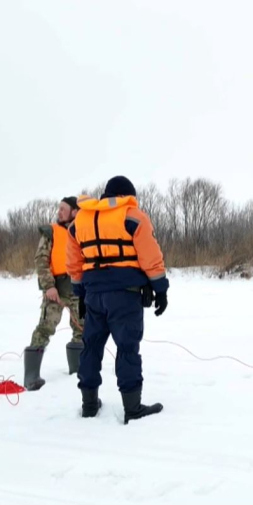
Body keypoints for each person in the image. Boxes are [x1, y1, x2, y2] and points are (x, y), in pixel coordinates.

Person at [66, 175, 170, 424]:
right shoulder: (133, 216)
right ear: (127, 195)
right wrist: (161, 289)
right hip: (125, 295)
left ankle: (89, 405)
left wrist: (79, 294)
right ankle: (132, 408)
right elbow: (150, 256)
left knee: (91, 348)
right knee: (127, 349)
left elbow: (74, 262)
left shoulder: (80, 220)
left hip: (93, 295)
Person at [24, 196, 85, 391]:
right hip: (55, 289)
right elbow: (41, 260)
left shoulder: (84, 230)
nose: (58, 212)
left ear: (75, 211)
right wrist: (48, 286)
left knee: (82, 330)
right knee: (45, 328)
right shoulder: (50, 232)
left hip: (78, 288)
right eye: (58, 208)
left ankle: (77, 371)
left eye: (63, 208)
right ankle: (31, 376)